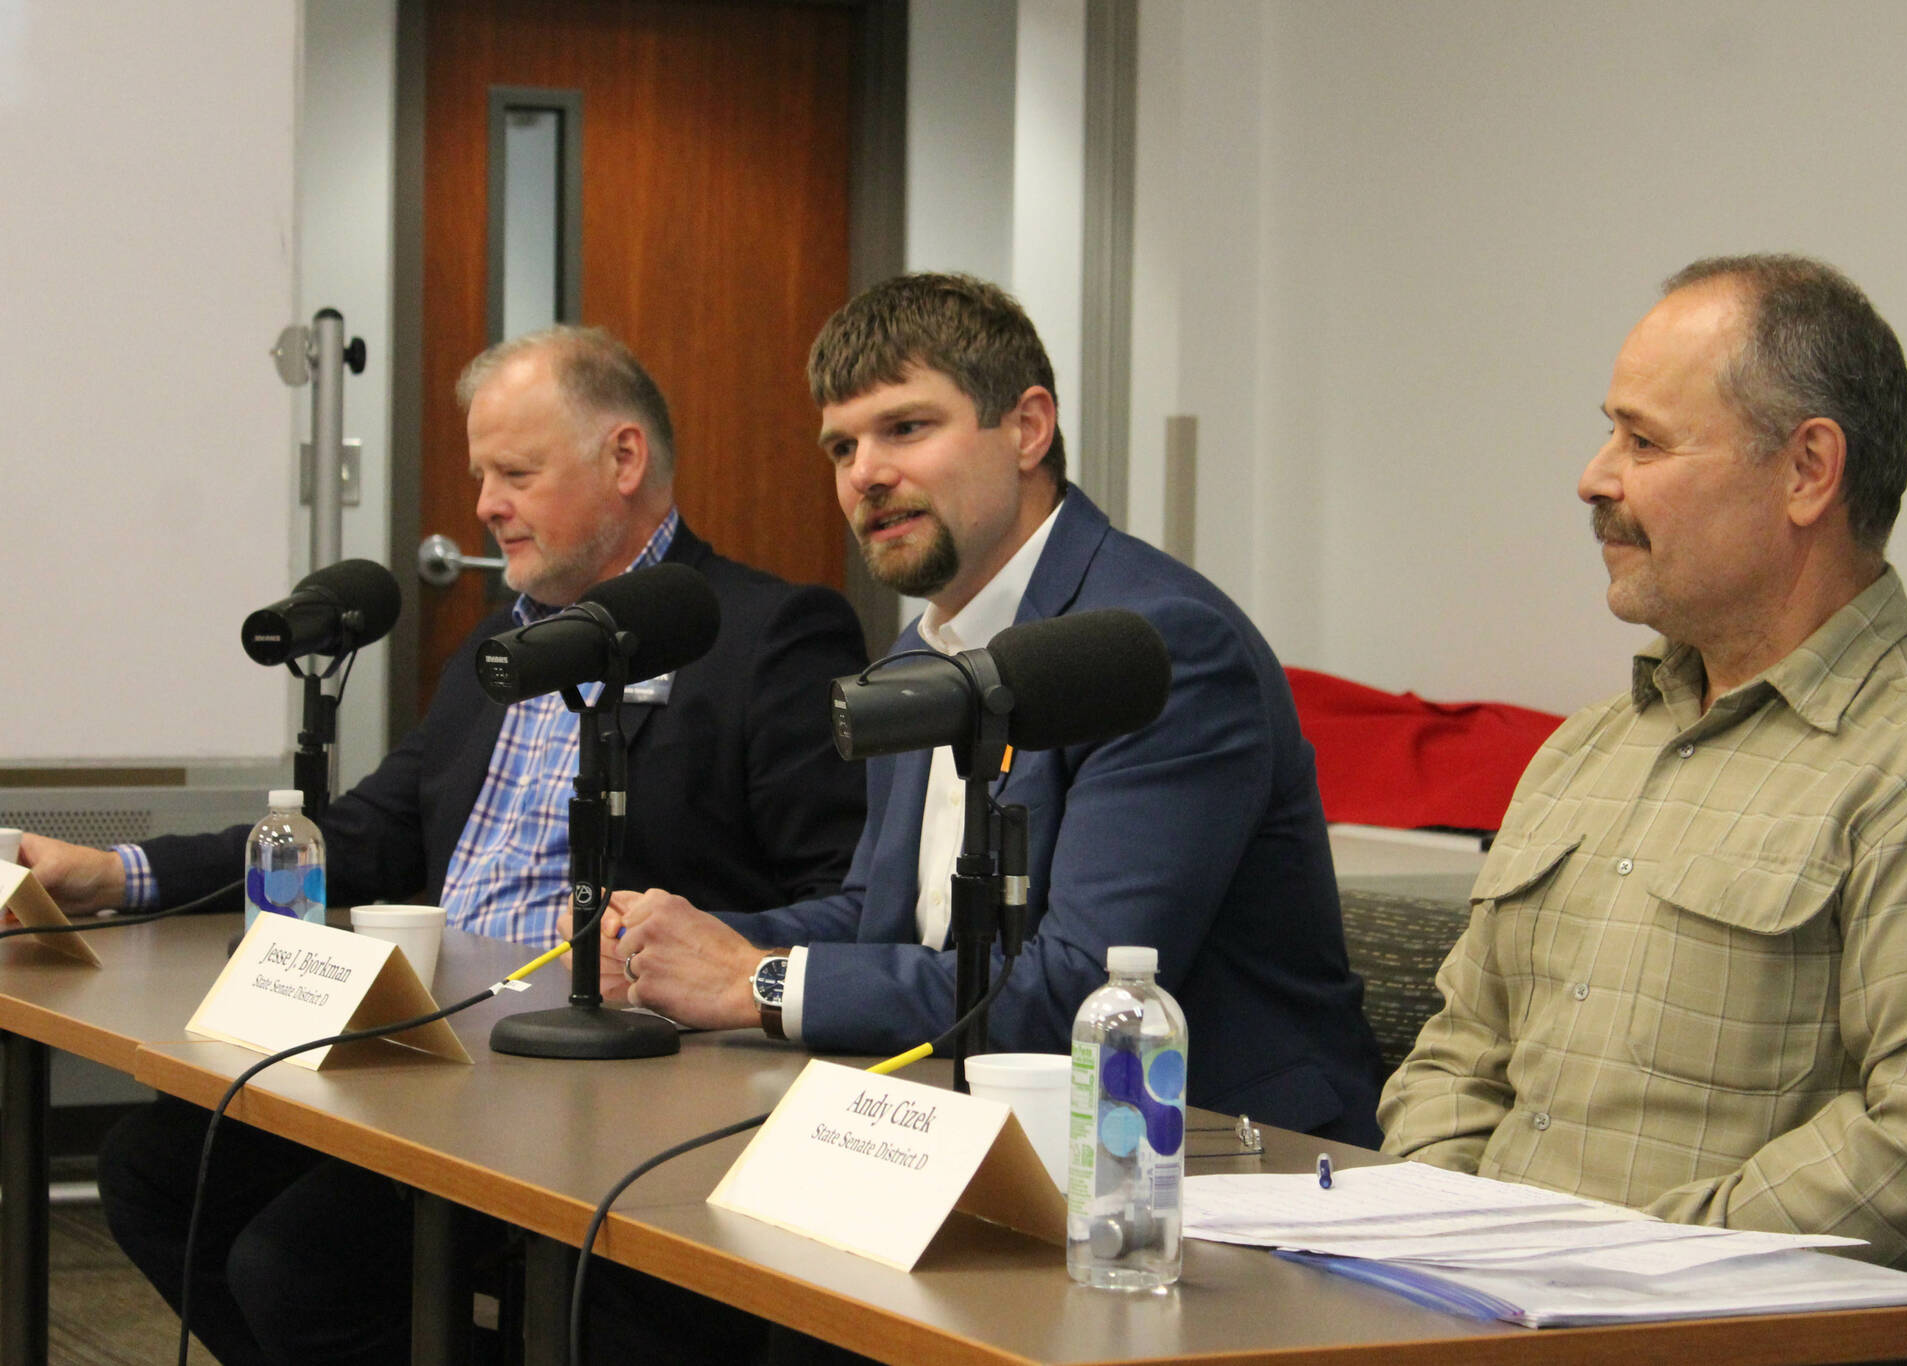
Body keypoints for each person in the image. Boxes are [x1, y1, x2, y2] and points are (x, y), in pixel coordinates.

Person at [22, 325, 869, 1366]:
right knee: (155, 1168)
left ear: (623, 459)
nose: (482, 506)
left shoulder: (766, 635)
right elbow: (372, 835)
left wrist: (680, 956)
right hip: (433, 1054)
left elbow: (842, 897)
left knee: (295, 1266)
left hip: (603, 1085)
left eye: (515, 472)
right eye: (479, 475)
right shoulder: (496, 645)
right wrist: (117, 872)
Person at [1377, 255, 1907, 1331]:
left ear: (1806, 471)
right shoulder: (1586, 750)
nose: (1595, 476)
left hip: (1720, 1341)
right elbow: (1455, 1051)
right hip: (1478, 1319)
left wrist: (1612, 1270)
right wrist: (1450, 1231)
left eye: (1643, 442)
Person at [582, 272, 1384, 1147]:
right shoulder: (919, 652)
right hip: (979, 1121)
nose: (866, 475)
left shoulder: (1151, 648)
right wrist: (675, 944)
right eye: (841, 449)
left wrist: (760, 982)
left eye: (907, 428)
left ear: (1028, 429)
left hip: (1219, 1156)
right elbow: (878, 915)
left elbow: (1083, 992)